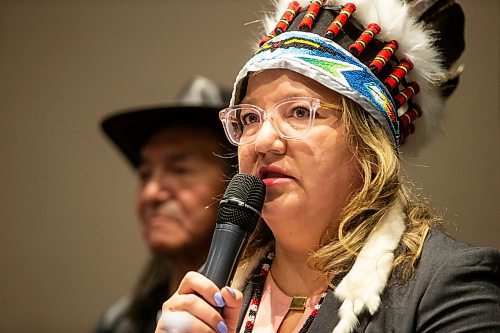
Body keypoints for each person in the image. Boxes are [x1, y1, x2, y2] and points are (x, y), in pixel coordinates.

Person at [156, 1, 500, 333]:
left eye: (300, 112)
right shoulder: (210, 294)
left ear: (368, 145)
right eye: (248, 118)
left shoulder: (445, 284)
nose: (262, 142)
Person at [94, 76, 236, 333]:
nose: (151, 193)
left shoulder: (267, 315)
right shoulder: (120, 324)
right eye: (145, 174)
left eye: (180, 170)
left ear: (235, 184)